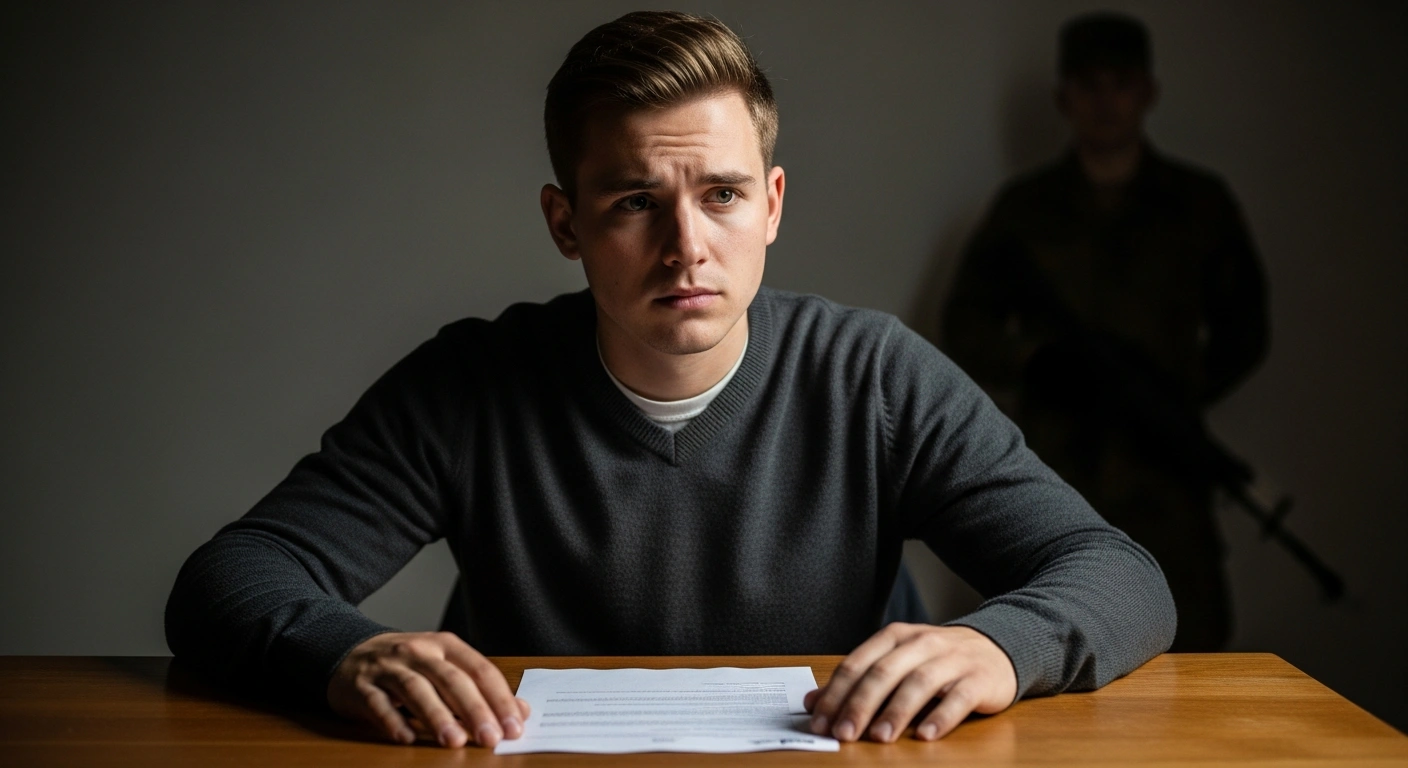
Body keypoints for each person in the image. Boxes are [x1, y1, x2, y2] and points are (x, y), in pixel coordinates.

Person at [166, 11, 1175, 750]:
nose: (686, 247)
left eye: (723, 195)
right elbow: (228, 579)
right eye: (635, 202)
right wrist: (340, 652)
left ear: (772, 205)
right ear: (567, 224)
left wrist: (1000, 646)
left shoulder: (873, 375)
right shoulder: (471, 386)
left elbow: (1122, 576)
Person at [943, 12, 1268, 652]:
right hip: (1054, 466)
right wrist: (1037, 361)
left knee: (1191, 655)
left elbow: (1246, 329)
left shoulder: (1199, 203)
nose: (1104, 101)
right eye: (1088, 84)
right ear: (1066, 98)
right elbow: (966, 321)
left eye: (1119, 82)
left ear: (1147, 91)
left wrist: (1173, 396)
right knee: (1040, 645)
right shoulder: (1024, 208)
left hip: (1165, 473)